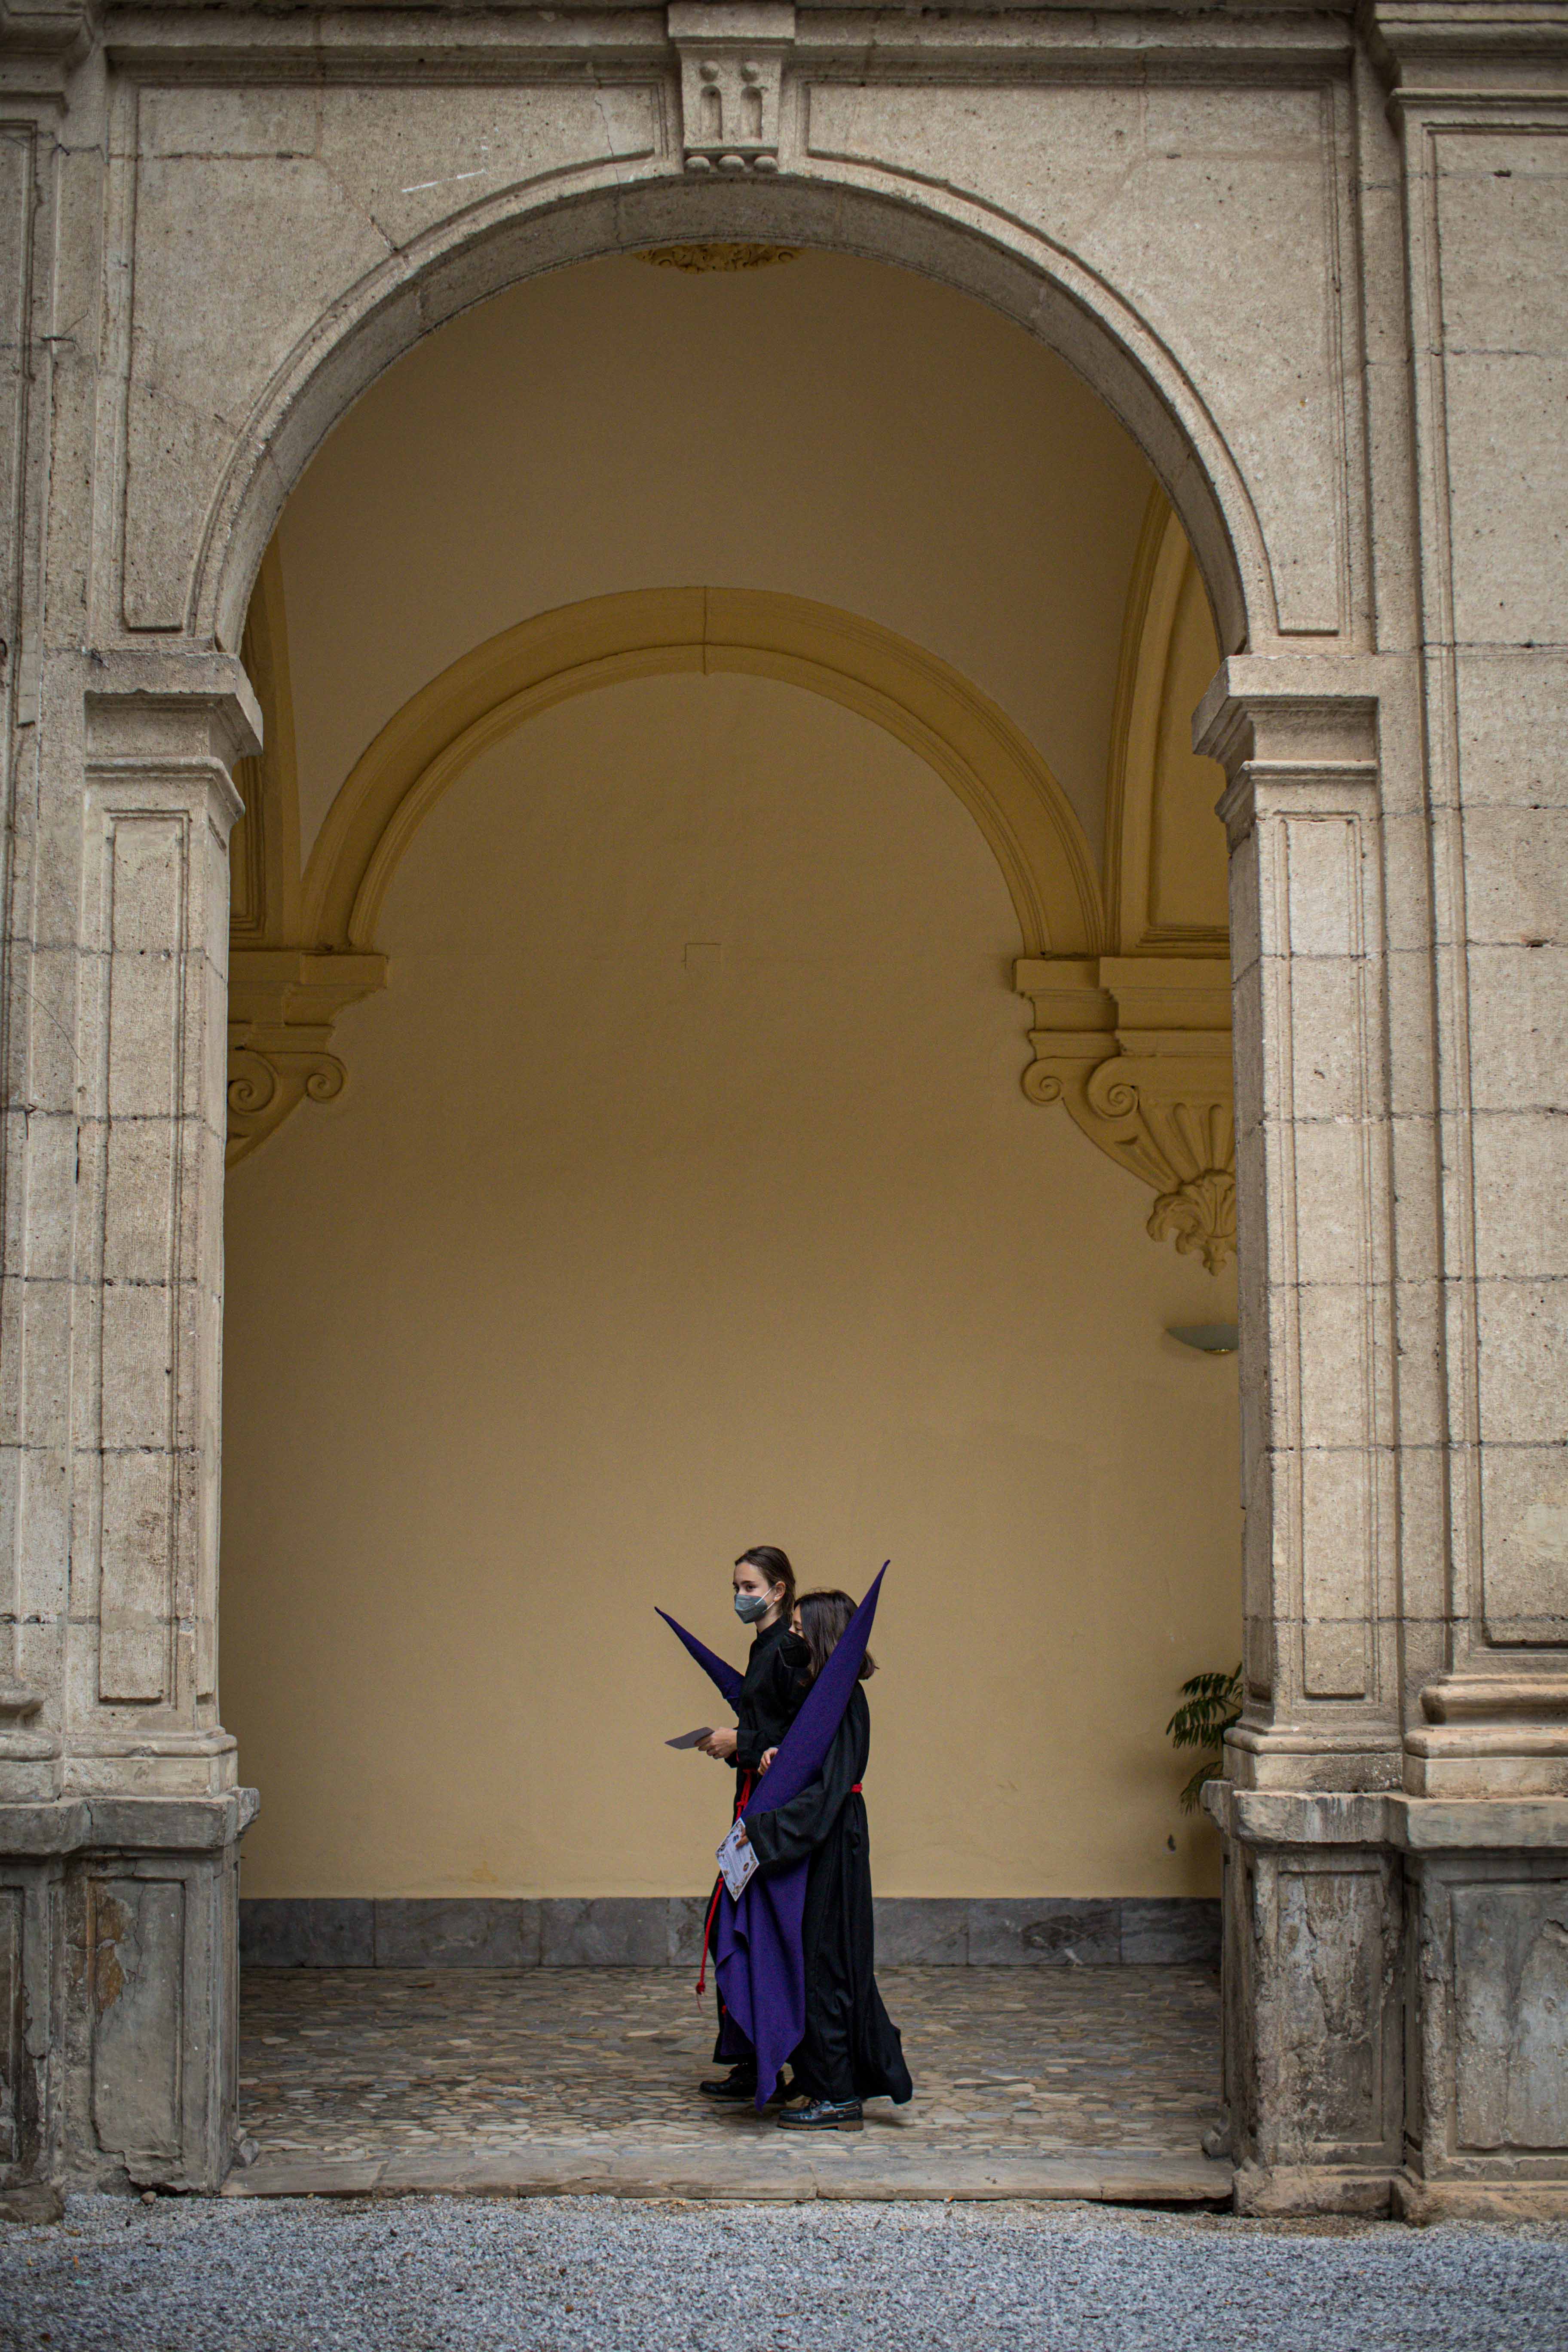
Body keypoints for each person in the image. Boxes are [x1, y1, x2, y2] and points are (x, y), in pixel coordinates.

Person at [743, 1587, 913, 2132]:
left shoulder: (842, 1702)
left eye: (798, 1629)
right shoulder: (825, 1697)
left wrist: (765, 1834)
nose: (790, 1637)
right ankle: (822, 2077)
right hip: (828, 1838)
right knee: (816, 1960)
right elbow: (811, 1767)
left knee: (825, 1964)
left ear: (822, 1637)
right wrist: (778, 1757)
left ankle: (839, 2095)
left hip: (834, 1842)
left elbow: (827, 1793)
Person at [693, 1546, 810, 2104]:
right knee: (732, 1927)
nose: (740, 1596)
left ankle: (770, 2062)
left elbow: (799, 1740)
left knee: (748, 1932)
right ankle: (746, 2058)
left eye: (749, 1585)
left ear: (779, 1589)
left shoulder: (787, 1652)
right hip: (750, 1805)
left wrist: (738, 1741)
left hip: (770, 1814)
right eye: (736, 1585)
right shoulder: (764, 1648)